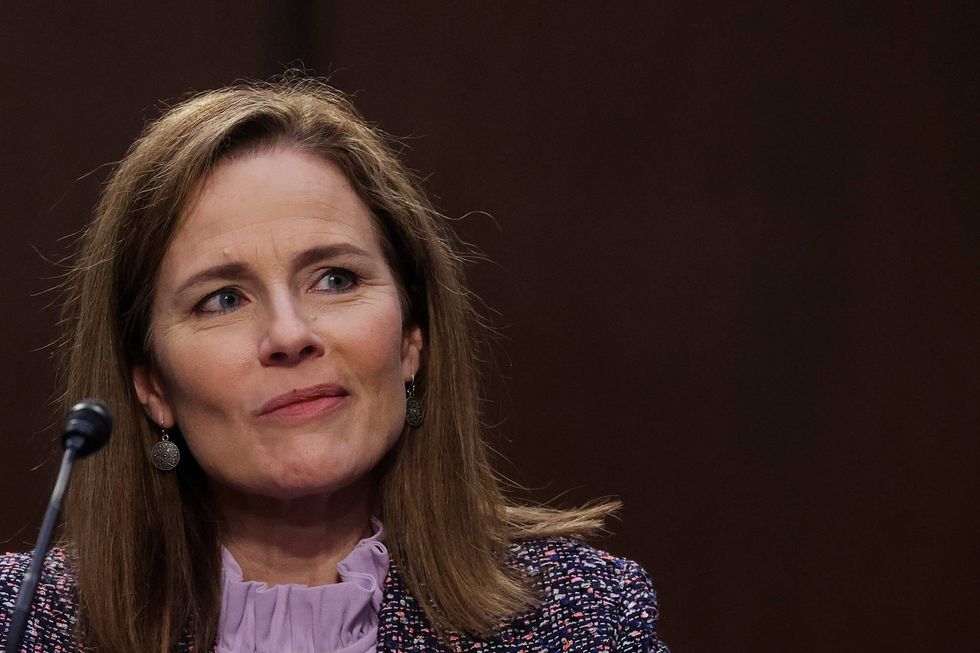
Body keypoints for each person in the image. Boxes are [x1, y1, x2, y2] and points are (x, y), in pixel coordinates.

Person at [0, 78, 668, 652]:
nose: (290, 334)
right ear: (151, 386)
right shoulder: (27, 627)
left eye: (335, 279)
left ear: (412, 338)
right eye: (223, 298)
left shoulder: (580, 620)